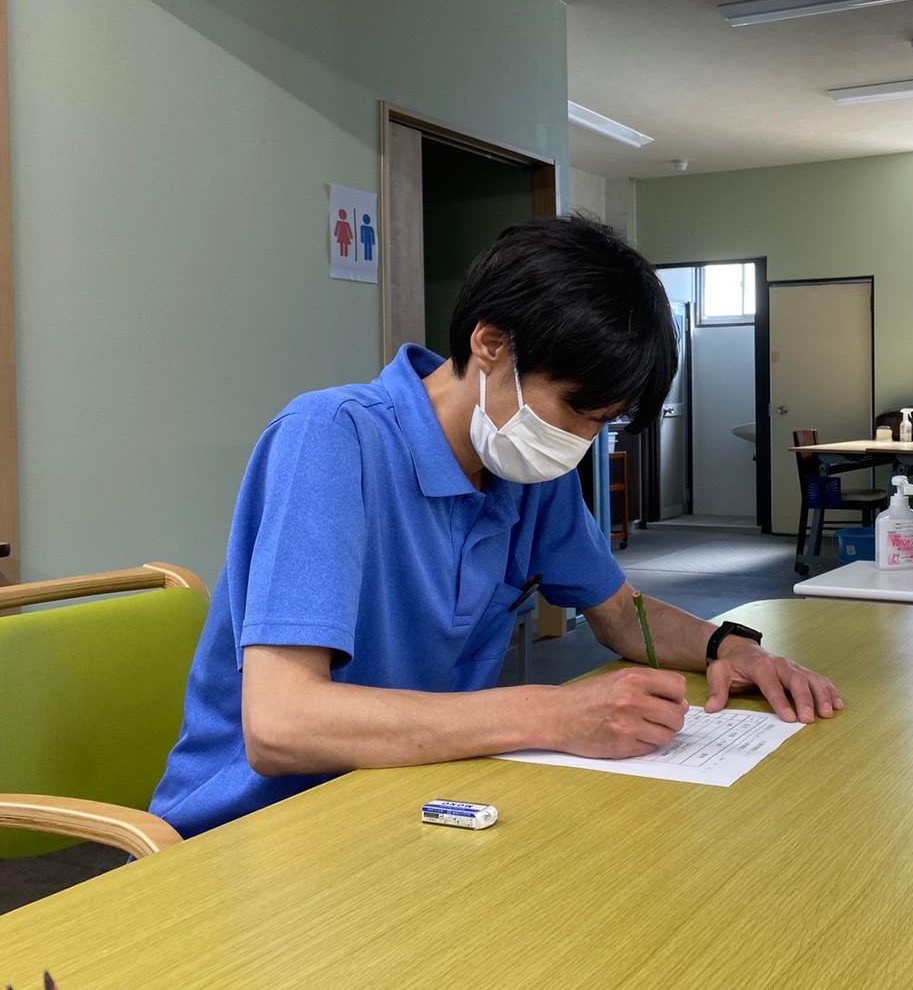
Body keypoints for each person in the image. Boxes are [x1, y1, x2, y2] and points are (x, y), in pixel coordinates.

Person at [150, 215, 842, 838]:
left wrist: (729, 647)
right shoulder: (331, 439)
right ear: (490, 343)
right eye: (576, 412)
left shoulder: (524, 469)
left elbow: (620, 615)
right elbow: (282, 725)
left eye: (603, 424)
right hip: (255, 832)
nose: (582, 442)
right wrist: (552, 715)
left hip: (411, 801)